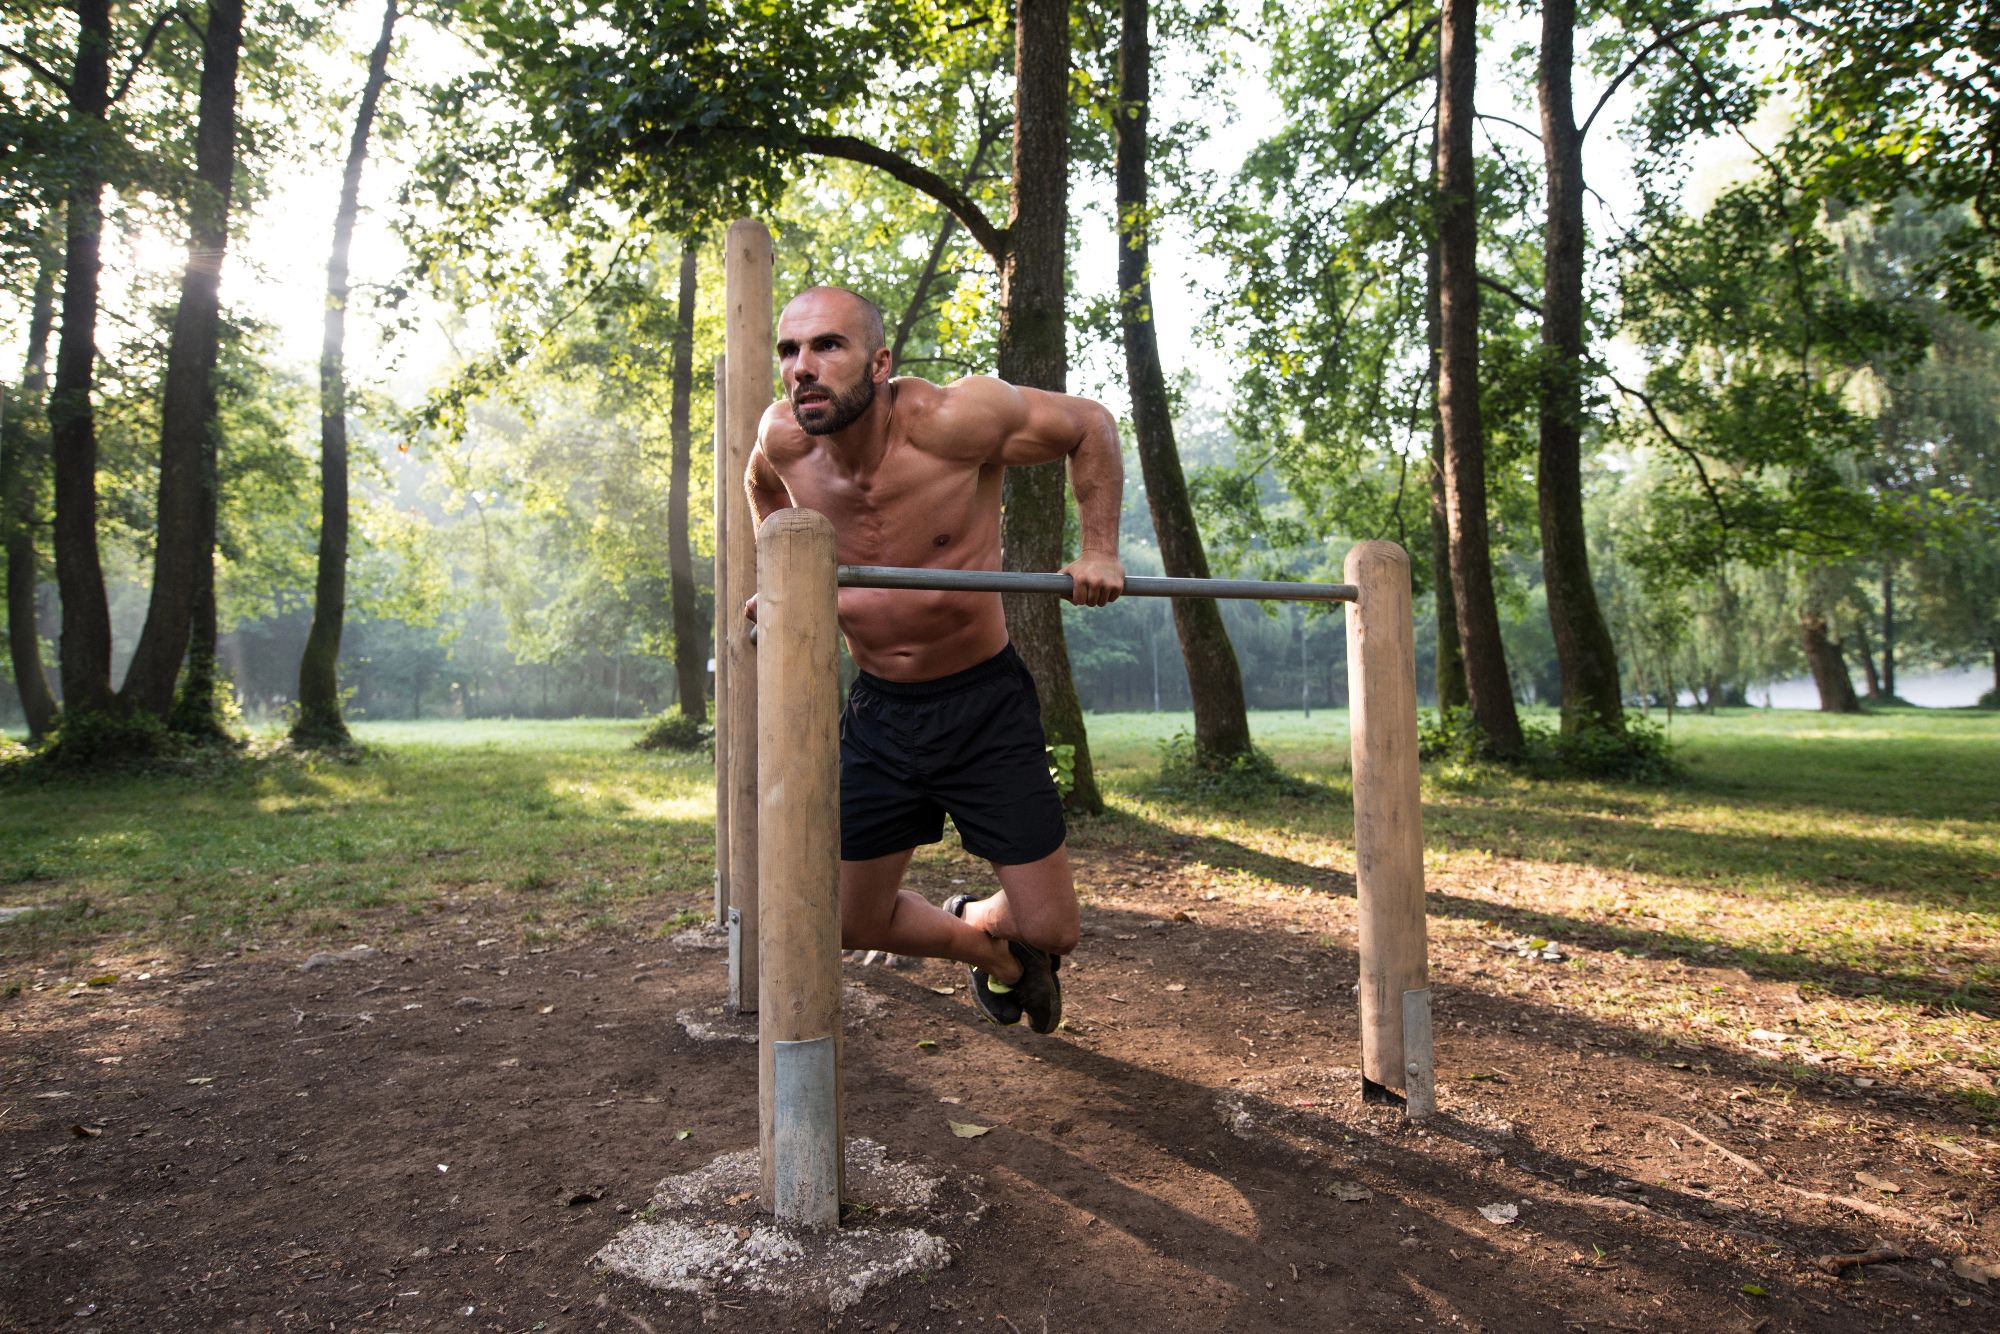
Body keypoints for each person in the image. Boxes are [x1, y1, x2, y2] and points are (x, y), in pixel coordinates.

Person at [744, 286, 1124, 1035]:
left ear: (879, 363)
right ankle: (990, 953)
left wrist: (1100, 549)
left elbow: (1090, 423)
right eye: (789, 352)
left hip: (983, 702)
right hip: (881, 707)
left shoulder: (957, 420)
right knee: (850, 922)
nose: (803, 368)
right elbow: (760, 485)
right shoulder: (784, 439)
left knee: (1054, 931)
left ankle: (999, 924)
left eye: (827, 346)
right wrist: (778, 576)